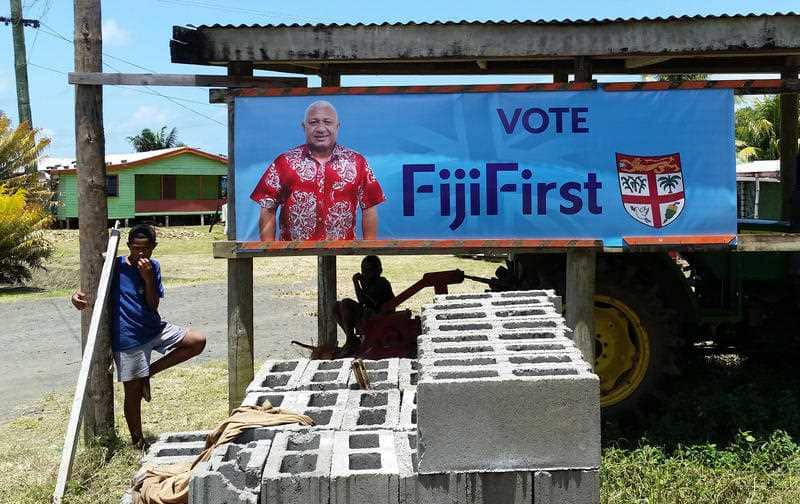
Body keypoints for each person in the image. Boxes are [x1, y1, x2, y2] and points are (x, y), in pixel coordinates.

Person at [71, 224, 206, 449]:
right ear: (128, 246)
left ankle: (148, 373)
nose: (140, 253)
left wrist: (148, 278)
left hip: (154, 328)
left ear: (154, 247)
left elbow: (153, 305)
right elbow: (89, 288)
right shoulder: (115, 266)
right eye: (135, 248)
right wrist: (76, 296)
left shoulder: (153, 267)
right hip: (129, 337)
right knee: (132, 394)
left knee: (197, 341)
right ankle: (138, 442)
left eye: (146, 249)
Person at [250, 100, 386, 241]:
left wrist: (368, 249)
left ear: (337, 126)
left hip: (343, 251)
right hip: (293, 252)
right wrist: (269, 249)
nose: (321, 128)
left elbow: (369, 208)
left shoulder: (357, 163)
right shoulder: (284, 162)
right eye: (314, 122)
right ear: (304, 127)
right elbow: (268, 208)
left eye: (327, 122)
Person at [333, 255, 395, 356]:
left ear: (379, 271)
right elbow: (363, 302)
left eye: (369, 270)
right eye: (364, 270)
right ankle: (351, 338)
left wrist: (357, 283)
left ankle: (350, 341)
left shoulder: (381, 282)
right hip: (369, 314)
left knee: (346, 303)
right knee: (336, 306)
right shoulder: (368, 282)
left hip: (380, 317)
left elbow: (365, 301)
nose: (366, 273)